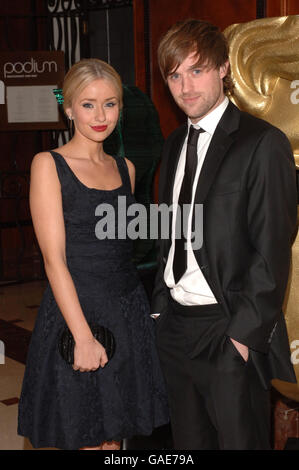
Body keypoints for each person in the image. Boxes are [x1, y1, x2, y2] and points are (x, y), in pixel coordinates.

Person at [152, 19, 298, 450]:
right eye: (174, 75)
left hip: (226, 331)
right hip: (175, 329)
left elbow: (272, 249)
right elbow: (168, 230)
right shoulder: (175, 142)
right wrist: (161, 309)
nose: (185, 86)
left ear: (223, 70)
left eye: (196, 70)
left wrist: (240, 338)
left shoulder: (262, 142)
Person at [18, 58, 169, 450]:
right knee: (82, 432)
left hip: (126, 312)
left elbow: (123, 249)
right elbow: (54, 261)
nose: (100, 115)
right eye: (87, 104)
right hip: (76, 314)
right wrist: (82, 337)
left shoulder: (127, 169)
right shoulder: (48, 165)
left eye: (110, 103)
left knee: (115, 436)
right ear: (68, 108)